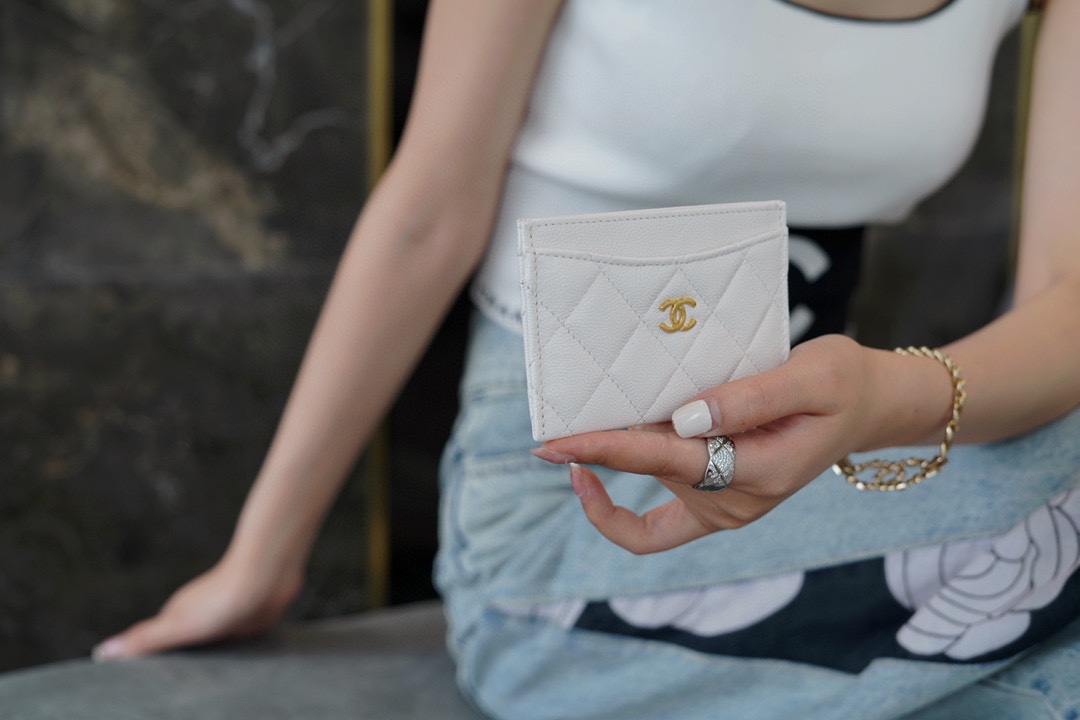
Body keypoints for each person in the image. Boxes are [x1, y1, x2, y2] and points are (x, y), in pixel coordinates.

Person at [93, 1, 1080, 717]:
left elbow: (1064, 301)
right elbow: (427, 215)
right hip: (575, 523)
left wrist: (887, 395)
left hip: (839, 470)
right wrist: (261, 558)